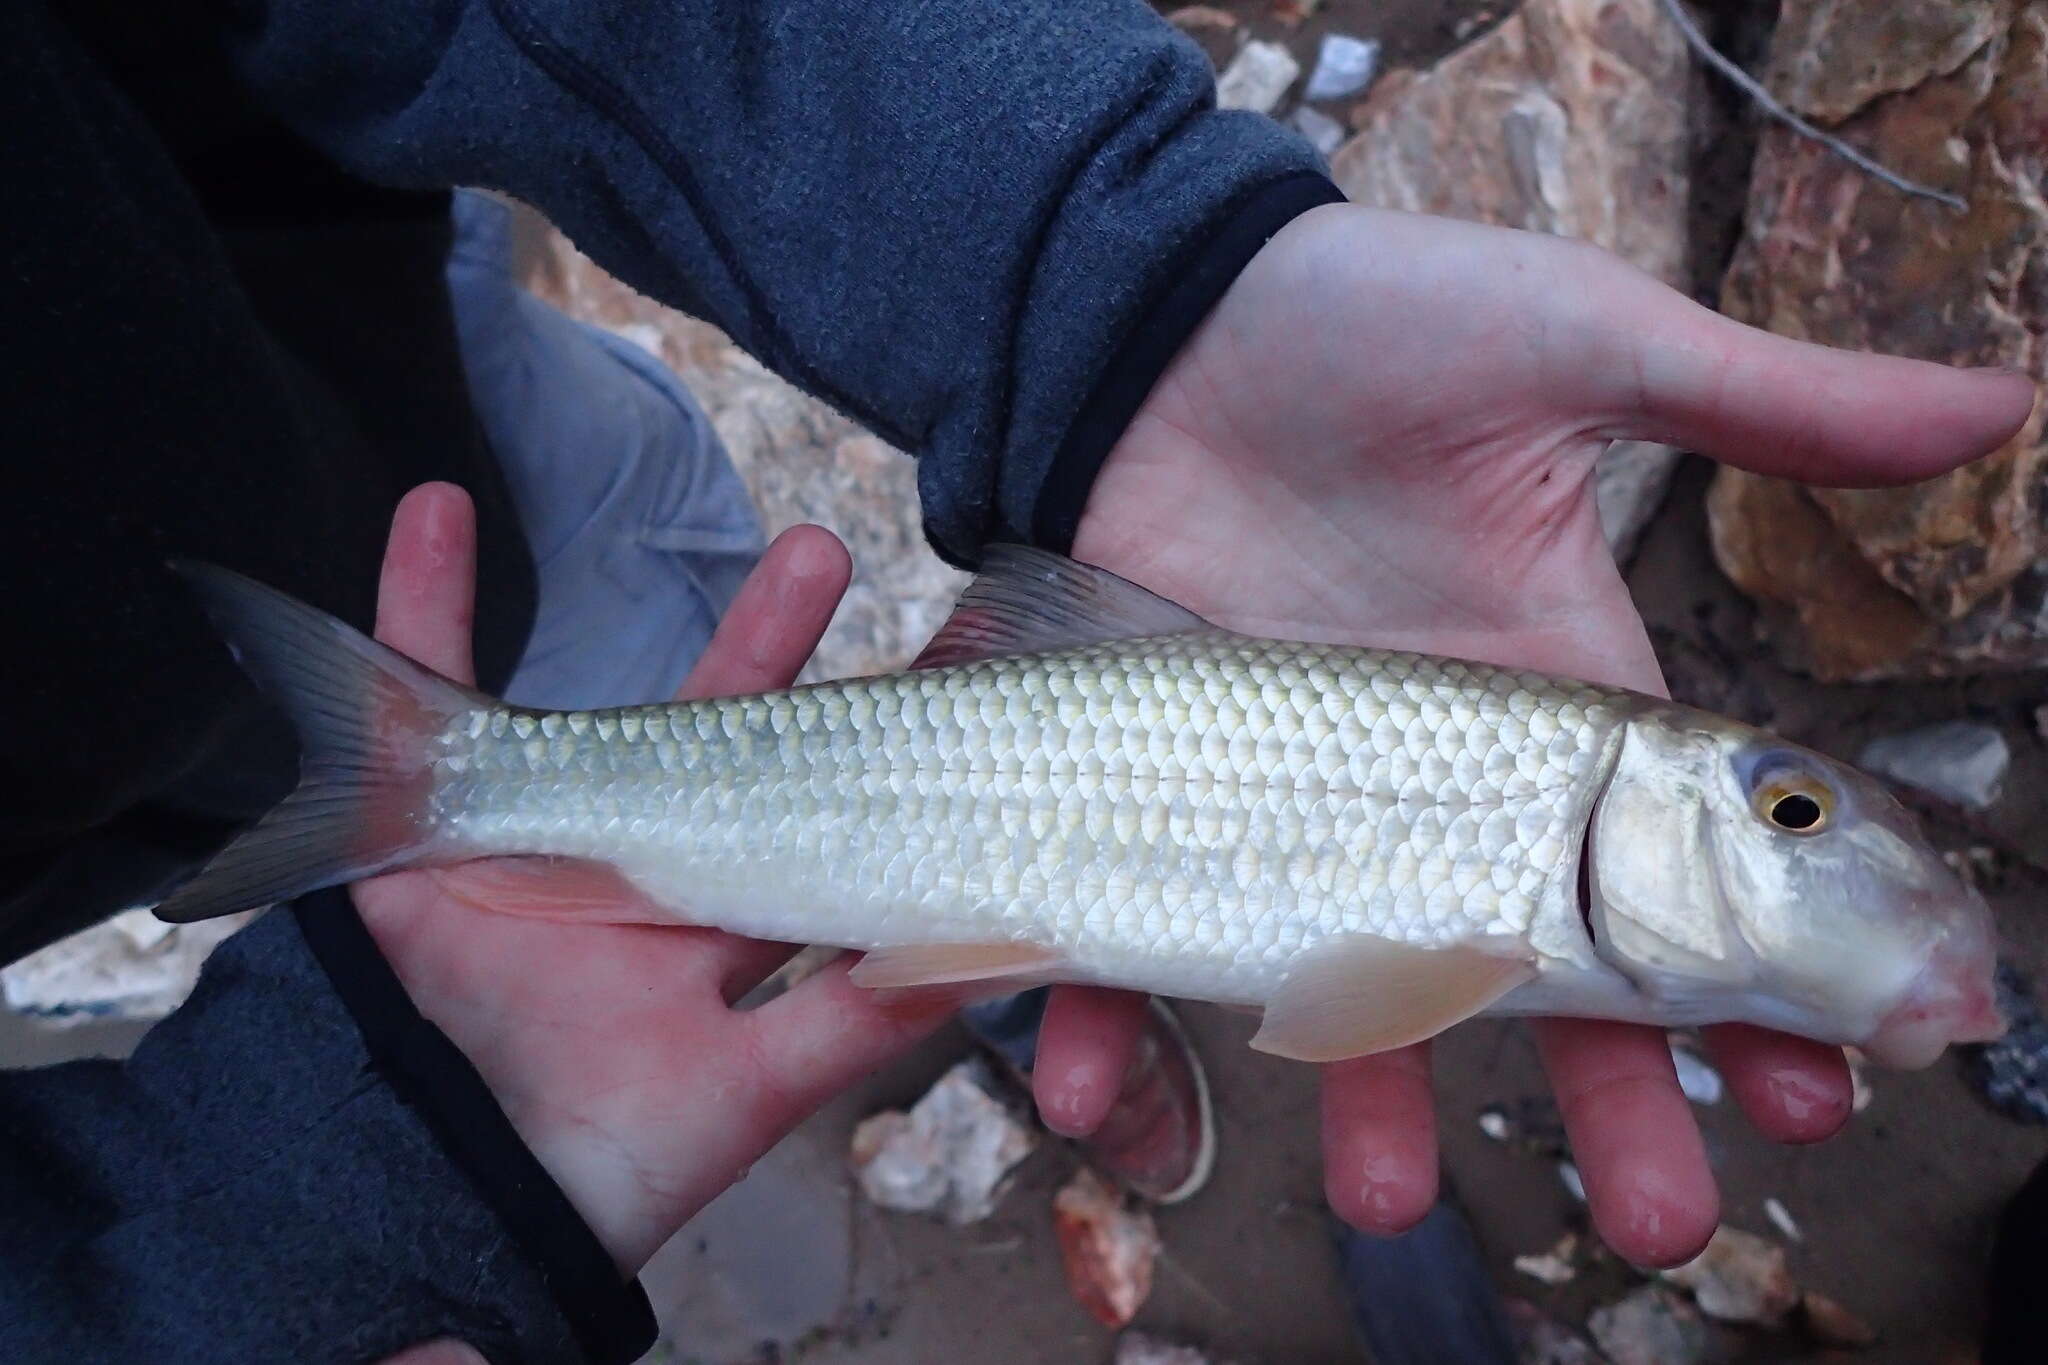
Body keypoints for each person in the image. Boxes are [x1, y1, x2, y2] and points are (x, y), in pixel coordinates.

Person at [0, 1, 2032, 1361]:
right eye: (1779, 799)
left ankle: (823, 929)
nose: (1800, 811)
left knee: (634, 560)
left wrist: (1103, 261)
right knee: (650, 734)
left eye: (1784, 803)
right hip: (244, 513)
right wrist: (271, 1217)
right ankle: (556, 823)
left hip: (302, 316)